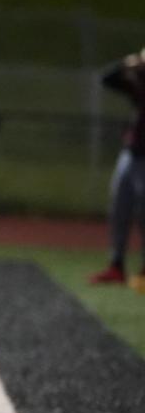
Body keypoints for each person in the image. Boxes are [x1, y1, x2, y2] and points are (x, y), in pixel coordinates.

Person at [89, 48, 145, 287]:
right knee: (119, 209)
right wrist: (130, 63)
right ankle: (117, 265)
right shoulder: (139, 82)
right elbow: (107, 79)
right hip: (130, 154)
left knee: (144, 213)